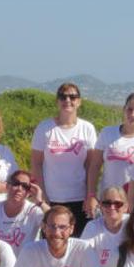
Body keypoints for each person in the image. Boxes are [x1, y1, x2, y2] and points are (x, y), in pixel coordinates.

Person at [30, 82, 98, 236]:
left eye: (72, 97)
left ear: (79, 101)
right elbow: (36, 163)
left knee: (78, 246)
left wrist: (90, 195)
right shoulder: (44, 128)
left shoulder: (87, 128)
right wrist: (43, 197)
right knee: (51, 244)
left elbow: (91, 166)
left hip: (80, 199)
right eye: (63, 96)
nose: (68, 100)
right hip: (52, 199)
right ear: (57, 101)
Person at [88, 92, 134, 200]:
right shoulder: (107, 132)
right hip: (107, 200)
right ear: (124, 109)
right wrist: (91, 195)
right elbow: (95, 166)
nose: (133, 114)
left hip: (132, 201)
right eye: (129, 109)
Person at [81, 186, 130, 267]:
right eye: (107, 203)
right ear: (101, 206)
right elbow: (84, 262)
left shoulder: (132, 223)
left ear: (126, 207)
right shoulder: (92, 227)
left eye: (118, 204)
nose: (112, 207)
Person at [0, 170, 48, 257]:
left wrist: (40, 202)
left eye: (25, 186)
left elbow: (56, 220)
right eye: (16, 183)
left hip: (23, 266)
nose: (19, 188)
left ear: (29, 193)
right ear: (7, 186)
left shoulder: (34, 211)